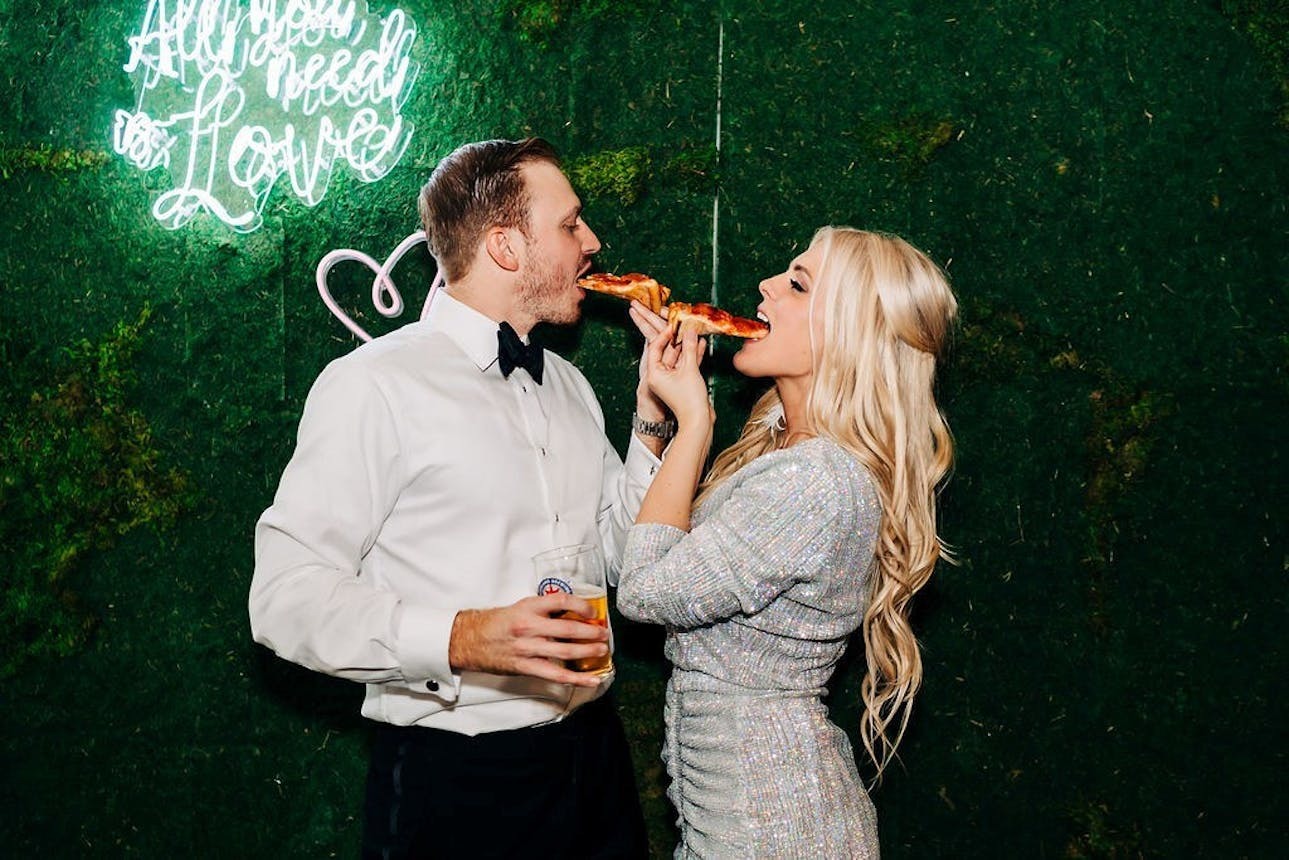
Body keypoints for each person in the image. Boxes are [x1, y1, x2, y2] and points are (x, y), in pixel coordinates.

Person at [250, 137, 673, 858]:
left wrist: (653, 417)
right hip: (455, 782)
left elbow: (621, 554)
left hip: (592, 764)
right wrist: (460, 636)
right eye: (570, 224)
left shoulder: (566, 385)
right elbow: (283, 599)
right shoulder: (373, 385)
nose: (592, 242)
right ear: (506, 247)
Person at [616, 226, 957, 858]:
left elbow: (641, 589)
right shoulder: (783, 445)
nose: (767, 287)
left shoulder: (817, 481)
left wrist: (694, 425)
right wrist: (660, 417)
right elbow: (657, 549)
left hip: (776, 829)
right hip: (741, 816)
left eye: (798, 284)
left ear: (849, 333)